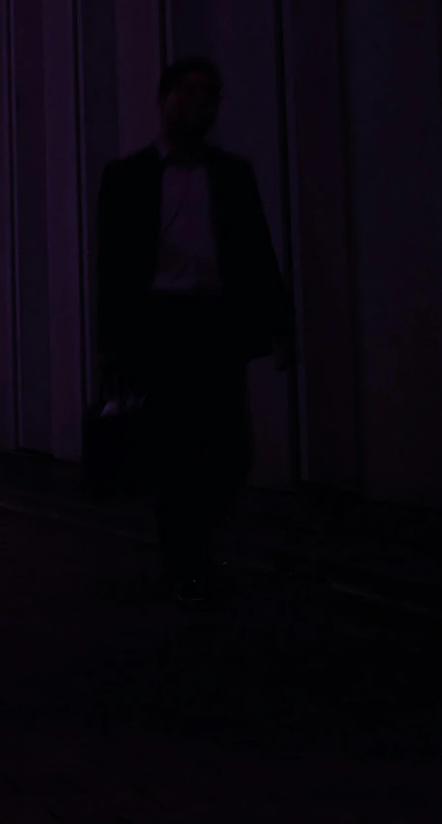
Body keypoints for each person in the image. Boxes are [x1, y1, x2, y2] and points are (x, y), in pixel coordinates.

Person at [96, 57, 291, 606]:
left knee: (231, 446)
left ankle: (188, 540)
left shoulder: (231, 175)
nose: (201, 106)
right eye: (190, 94)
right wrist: (110, 344)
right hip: (160, 324)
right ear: (164, 100)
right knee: (174, 446)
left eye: (210, 96)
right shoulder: (128, 177)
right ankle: (185, 561)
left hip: (215, 320)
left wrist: (278, 325)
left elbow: (257, 251)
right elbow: (111, 266)